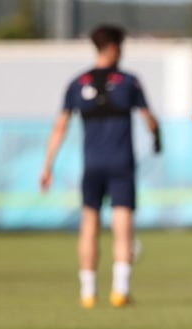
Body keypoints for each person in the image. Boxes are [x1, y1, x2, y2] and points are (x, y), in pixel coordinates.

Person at [40, 24, 161, 309]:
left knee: (89, 227)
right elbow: (149, 120)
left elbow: (60, 127)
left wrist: (47, 165)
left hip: (91, 165)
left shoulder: (76, 83)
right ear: (115, 48)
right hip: (121, 164)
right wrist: (157, 138)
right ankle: (119, 291)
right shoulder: (130, 82)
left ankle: (88, 293)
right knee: (122, 227)